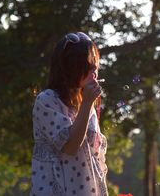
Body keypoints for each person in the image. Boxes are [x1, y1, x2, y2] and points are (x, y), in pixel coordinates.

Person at [30, 32, 109, 196]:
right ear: (71, 68)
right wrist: (87, 104)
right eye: (88, 65)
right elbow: (71, 147)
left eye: (95, 64)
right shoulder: (47, 100)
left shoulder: (86, 103)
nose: (95, 69)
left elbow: (96, 159)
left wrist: (87, 104)